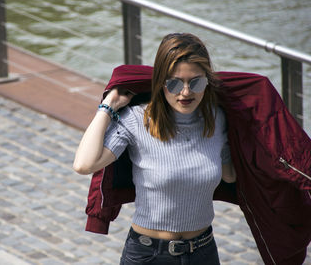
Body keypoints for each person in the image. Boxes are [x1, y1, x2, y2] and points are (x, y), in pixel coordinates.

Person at [73, 33, 236, 265]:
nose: (186, 92)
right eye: (175, 83)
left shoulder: (217, 119)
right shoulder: (136, 120)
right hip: (147, 255)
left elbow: (231, 175)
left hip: (203, 253)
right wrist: (107, 106)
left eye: (196, 82)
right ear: (160, 82)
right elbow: (84, 164)